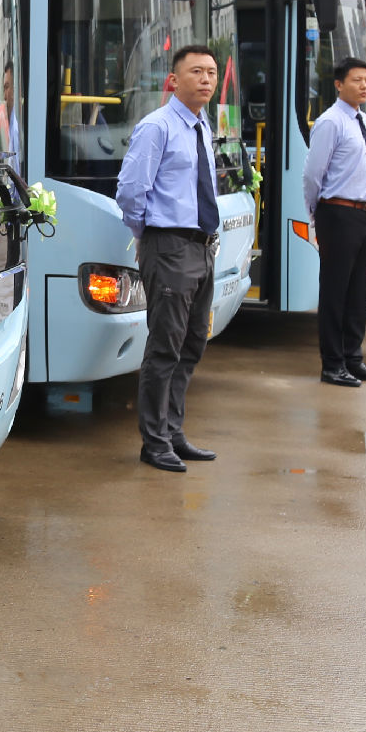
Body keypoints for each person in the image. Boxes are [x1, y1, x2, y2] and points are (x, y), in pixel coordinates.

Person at [115, 44, 222, 472]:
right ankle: (154, 443)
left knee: (193, 343)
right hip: (170, 246)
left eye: (211, 72)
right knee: (165, 347)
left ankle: (174, 433)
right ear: (174, 80)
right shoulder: (156, 127)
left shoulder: (202, 126)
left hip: (202, 246)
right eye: (196, 71)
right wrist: (149, 237)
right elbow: (130, 191)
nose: (206, 79)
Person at [303, 57, 366, 387]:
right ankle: (332, 364)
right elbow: (313, 174)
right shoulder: (330, 122)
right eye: (356, 80)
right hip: (337, 212)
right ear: (339, 85)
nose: (364, 85)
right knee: (335, 292)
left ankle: (354, 358)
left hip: (363, 212)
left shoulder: (363, 120)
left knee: (358, 291)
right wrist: (316, 213)